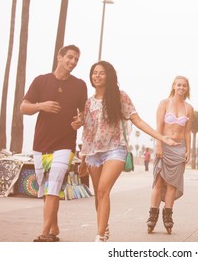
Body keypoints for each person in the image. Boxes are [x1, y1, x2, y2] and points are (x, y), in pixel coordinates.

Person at [78, 61, 179, 242]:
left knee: (103, 189)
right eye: (94, 73)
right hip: (93, 153)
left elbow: (137, 120)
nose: (97, 76)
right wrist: (83, 157)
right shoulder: (88, 102)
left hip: (115, 150)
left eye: (101, 73)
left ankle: (100, 237)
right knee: (99, 194)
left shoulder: (120, 97)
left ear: (109, 75)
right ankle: (104, 227)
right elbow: (87, 132)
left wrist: (161, 137)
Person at [20, 45, 87, 242]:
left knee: (54, 184)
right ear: (59, 57)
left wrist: (80, 120)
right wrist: (42, 105)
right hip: (41, 144)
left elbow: (83, 113)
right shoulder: (41, 81)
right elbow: (23, 107)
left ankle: (44, 232)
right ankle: (54, 228)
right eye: (70, 57)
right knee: (46, 189)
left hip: (65, 143)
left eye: (76, 59)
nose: (73, 62)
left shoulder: (80, 85)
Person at [146, 75, 193, 234]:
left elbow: (187, 132)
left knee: (173, 184)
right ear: (173, 86)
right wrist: (158, 144)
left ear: (187, 88)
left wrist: (188, 150)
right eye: (178, 85)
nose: (181, 88)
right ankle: (153, 214)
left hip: (179, 148)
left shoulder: (189, 108)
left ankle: (168, 215)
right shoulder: (164, 103)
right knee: (159, 181)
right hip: (164, 145)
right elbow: (158, 126)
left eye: (184, 86)